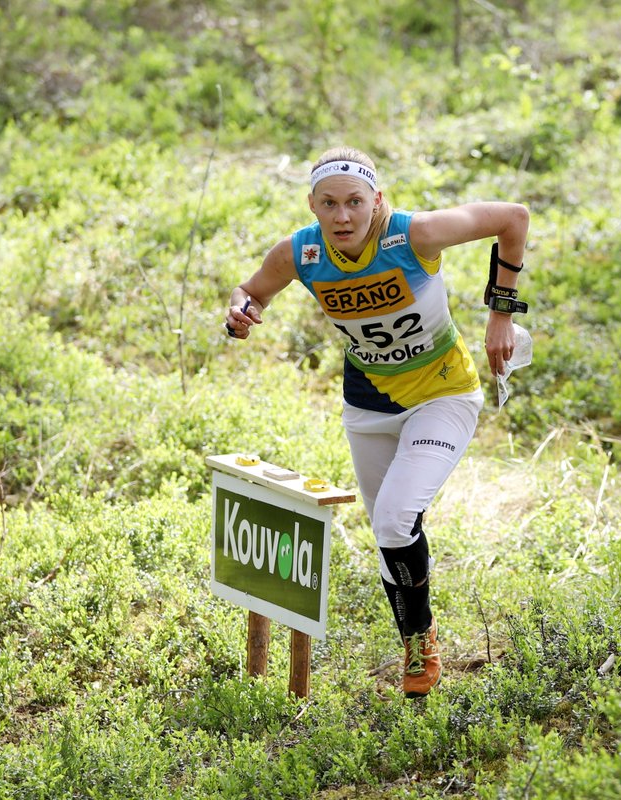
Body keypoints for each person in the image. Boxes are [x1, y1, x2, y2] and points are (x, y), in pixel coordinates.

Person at [225, 147, 529, 697]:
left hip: (443, 395)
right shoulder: (301, 252)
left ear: (377, 201)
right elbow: (251, 290)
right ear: (313, 205)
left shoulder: (413, 236)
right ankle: (415, 636)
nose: (343, 217)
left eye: (355, 203)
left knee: (392, 519)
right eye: (330, 204)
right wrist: (242, 311)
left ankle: (419, 643)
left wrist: (501, 314)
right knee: (391, 534)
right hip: (368, 408)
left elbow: (514, 218)